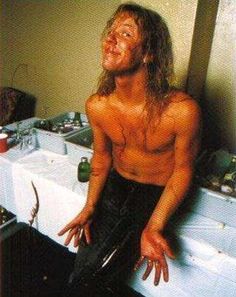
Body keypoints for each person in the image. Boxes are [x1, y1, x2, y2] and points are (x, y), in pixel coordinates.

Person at [58, 2, 201, 295]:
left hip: (155, 193)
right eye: (109, 32)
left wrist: (155, 225)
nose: (109, 39)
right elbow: (101, 159)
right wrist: (90, 207)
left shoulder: (182, 111)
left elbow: (183, 171)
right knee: (87, 267)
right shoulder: (97, 105)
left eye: (124, 34)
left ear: (148, 53)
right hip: (117, 184)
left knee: (93, 276)